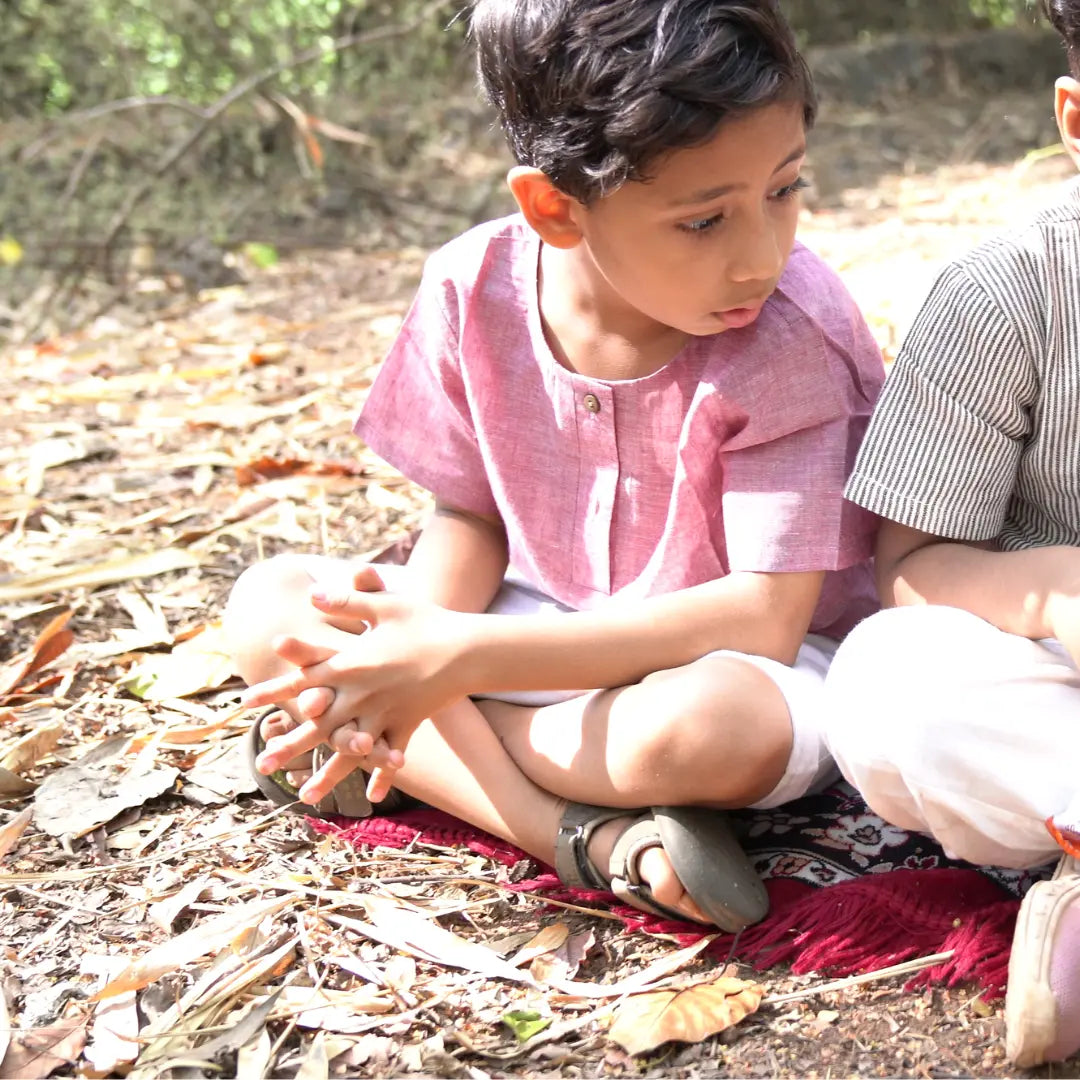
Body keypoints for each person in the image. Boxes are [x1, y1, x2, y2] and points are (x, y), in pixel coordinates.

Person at [224, 0, 883, 932]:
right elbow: (471, 516)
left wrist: (442, 667)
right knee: (273, 602)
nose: (760, 258)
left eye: (784, 190)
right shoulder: (470, 286)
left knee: (701, 734)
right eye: (705, 221)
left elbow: (765, 617)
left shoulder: (790, 334)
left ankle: (419, 757)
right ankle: (574, 834)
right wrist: (418, 635)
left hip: (720, 661)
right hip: (529, 630)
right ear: (553, 207)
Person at [823, 0, 1080, 1065]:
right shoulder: (1005, 297)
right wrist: (1053, 593)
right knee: (888, 687)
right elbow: (912, 570)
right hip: (1054, 691)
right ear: (1077, 120)